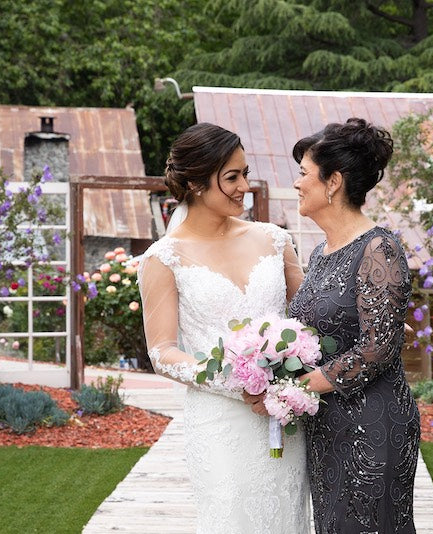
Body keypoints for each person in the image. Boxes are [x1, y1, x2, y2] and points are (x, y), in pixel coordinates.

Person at [137, 123, 310, 534]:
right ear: (196, 182)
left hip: (284, 417)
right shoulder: (163, 259)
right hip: (219, 424)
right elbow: (162, 352)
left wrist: (287, 374)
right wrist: (239, 382)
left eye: (245, 173)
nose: (244, 187)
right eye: (232, 177)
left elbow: (309, 318)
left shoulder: (275, 240)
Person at [288, 118, 421, 533]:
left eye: (304, 173)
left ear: (333, 182)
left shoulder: (379, 248)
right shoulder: (321, 254)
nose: (297, 184)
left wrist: (295, 387)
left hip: (370, 424)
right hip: (327, 424)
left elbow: (377, 349)